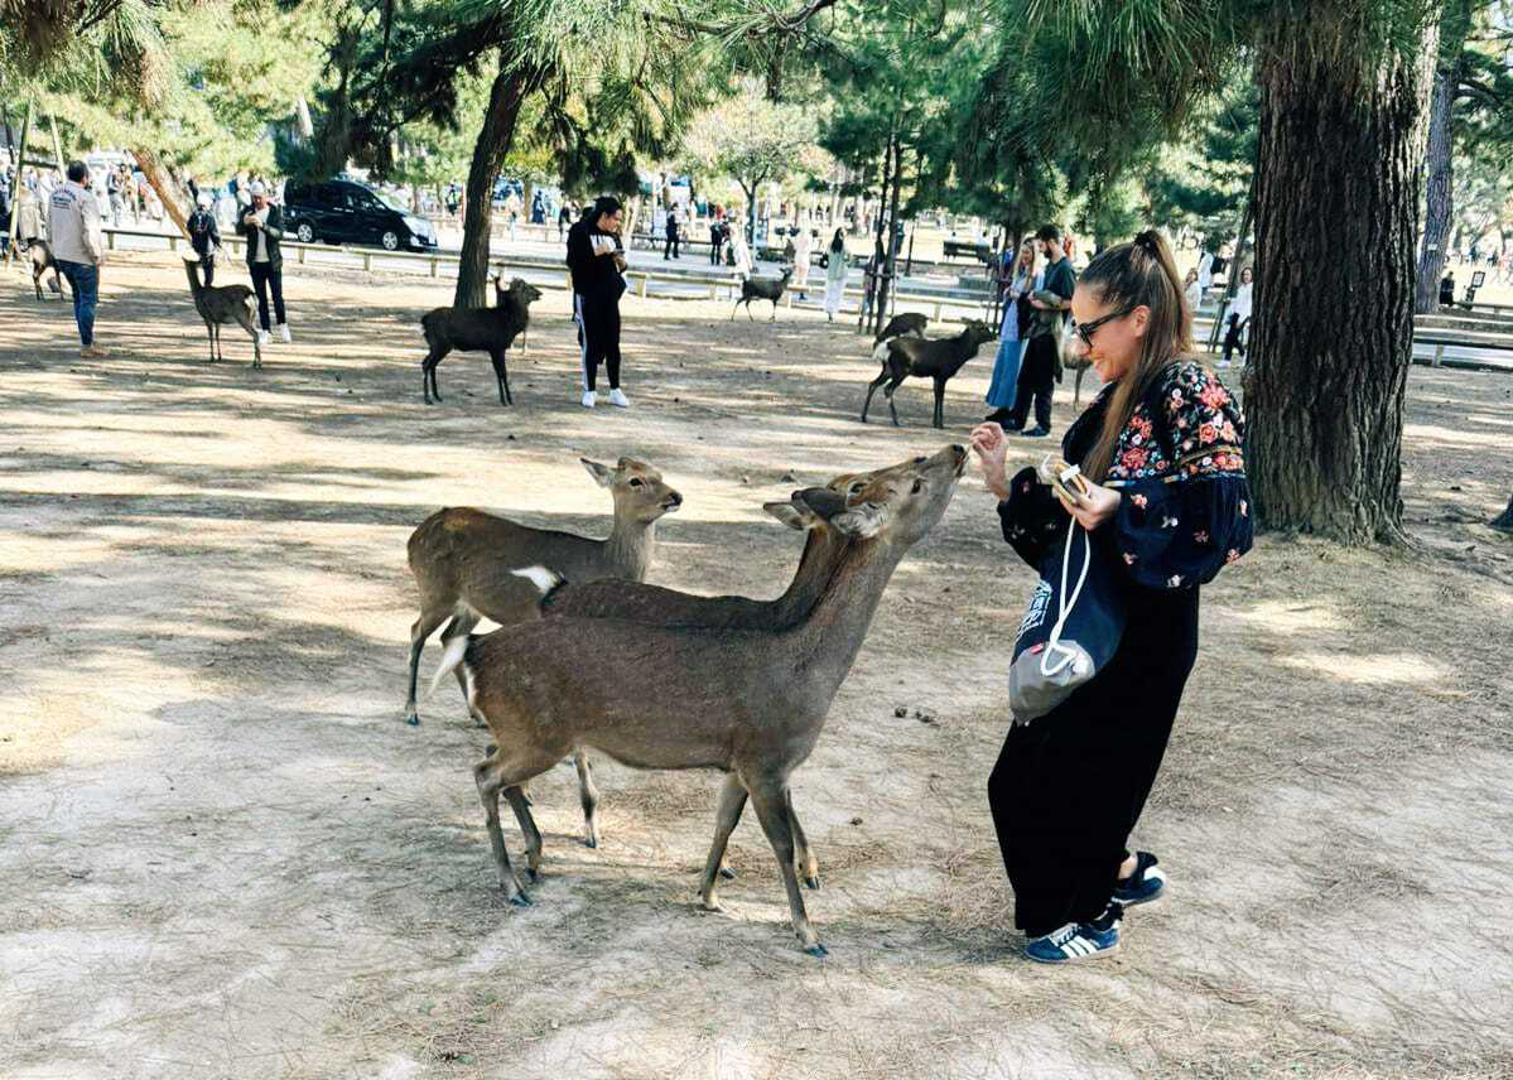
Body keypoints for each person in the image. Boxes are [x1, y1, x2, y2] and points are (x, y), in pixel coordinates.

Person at [972, 228, 1252, 964]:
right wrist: (1008, 485)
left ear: (1137, 317)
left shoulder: (1191, 390)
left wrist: (1122, 506)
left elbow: (1223, 518)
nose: (1078, 341)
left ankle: (1084, 912)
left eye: (1088, 326)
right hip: (1092, 616)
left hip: (1150, 633)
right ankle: (1115, 877)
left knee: (1088, 784)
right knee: (1020, 781)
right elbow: (1066, 527)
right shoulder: (1111, 398)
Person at [1005, 223, 1076, 438]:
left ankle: (1043, 425)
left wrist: (1045, 305)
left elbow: (1071, 302)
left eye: (1041, 244)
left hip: (1051, 332)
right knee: (1025, 377)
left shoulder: (1065, 269)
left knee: (1043, 381)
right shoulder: (1053, 266)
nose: (1040, 249)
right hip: (1039, 328)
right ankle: (1018, 418)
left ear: (1051, 242)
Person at [566, 195, 630, 409]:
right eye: (616, 219)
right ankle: (590, 389)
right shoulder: (580, 231)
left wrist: (620, 261)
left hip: (609, 295)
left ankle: (615, 389)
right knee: (590, 343)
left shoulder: (613, 236)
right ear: (604, 216)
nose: (617, 224)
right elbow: (572, 261)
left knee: (613, 342)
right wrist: (596, 251)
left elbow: (621, 266)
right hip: (587, 294)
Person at [48, 161, 107, 357]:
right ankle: (86, 344)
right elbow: (90, 229)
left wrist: (53, 247)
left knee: (78, 298)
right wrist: (96, 254)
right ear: (85, 177)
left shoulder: (55, 194)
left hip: (62, 254)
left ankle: (86, 337)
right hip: (82, 257)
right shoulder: (86, 198)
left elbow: (49, 224)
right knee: (88, 300)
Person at [985, 239, 1039, 424]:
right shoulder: (1021, 274)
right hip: (1011, 322)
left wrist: (1019, 295)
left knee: (1012, 367)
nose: (1024, 257)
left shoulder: (1036, 276)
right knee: (1003, 364)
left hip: (1020, 326)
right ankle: (1001, 404)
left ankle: (1009, 406)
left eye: (1028, 253)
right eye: (1023, 253)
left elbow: (1033, 300)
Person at [238, 180, 289, 343]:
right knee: (261, 298)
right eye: (254, 198)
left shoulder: (275, 212)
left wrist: (263, 226)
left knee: (277, 296)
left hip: (272, 262)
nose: (257, 201)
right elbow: (238, 231)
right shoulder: (248, 211)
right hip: (256, 262)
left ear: (266, 196)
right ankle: (266, 330)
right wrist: (244, 224)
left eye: (259, 197)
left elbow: (280, 234)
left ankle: (283, 325)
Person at [1220, 265, 1253, 368]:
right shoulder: (1242, 288)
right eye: (1244, 275)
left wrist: (1242, 319)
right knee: (1230, 336)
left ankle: (1244, 354)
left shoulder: (1251, 287)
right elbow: (1238, 301)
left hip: (1243, 314)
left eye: (1248, 274)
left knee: (1233, 336)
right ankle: (1227, 359)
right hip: (1236, 313)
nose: (1246, 277)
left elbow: (1248, 304)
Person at [187, 191, 221, 285]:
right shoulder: (209, 216)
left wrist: (194, 236)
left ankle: (198, 287)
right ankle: (207, 287)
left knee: (197, 268)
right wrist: (218, 243)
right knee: (208, 271)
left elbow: (189, 227)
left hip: (197, 245)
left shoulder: (194, 215)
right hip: (207, 247)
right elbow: (214, 231)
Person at [822, 228, 848, 322]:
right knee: (837, 293)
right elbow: (849, 257)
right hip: (841, 273)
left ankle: (829, 312)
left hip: (831, 272)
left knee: (829, 292)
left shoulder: (830, 244)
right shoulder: (844, 246)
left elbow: (826, 255)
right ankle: (833, 311)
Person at [792, 225, 813, 300]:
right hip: (805, 257)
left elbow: (795, 246)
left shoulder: (798, 236)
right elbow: (809, 248)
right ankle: (801, 294)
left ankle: (789, 293)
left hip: (797, 256)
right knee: (803, 277)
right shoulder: (809, 237)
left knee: (796, 276)